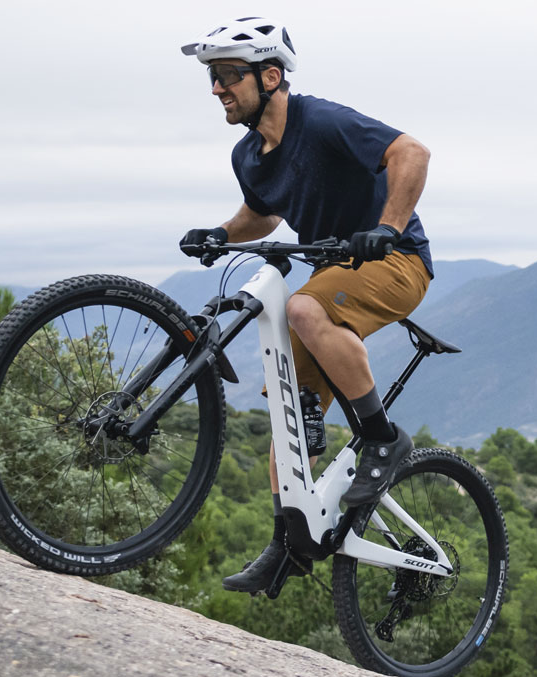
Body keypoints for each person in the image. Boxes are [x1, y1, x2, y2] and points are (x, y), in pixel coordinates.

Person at [175, 17, 434, 595]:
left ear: (270, 76)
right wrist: (221, 233)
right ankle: (288, 544)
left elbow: (410, 153)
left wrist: (387, 228)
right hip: (330, 277)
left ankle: (383, 438)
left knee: (303, 310)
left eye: (226, 76)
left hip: (396, 263)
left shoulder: (320, 121)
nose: (216, 88)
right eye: (212, 78)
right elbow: (263, 213)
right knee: (287, 412)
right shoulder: (249, 155)